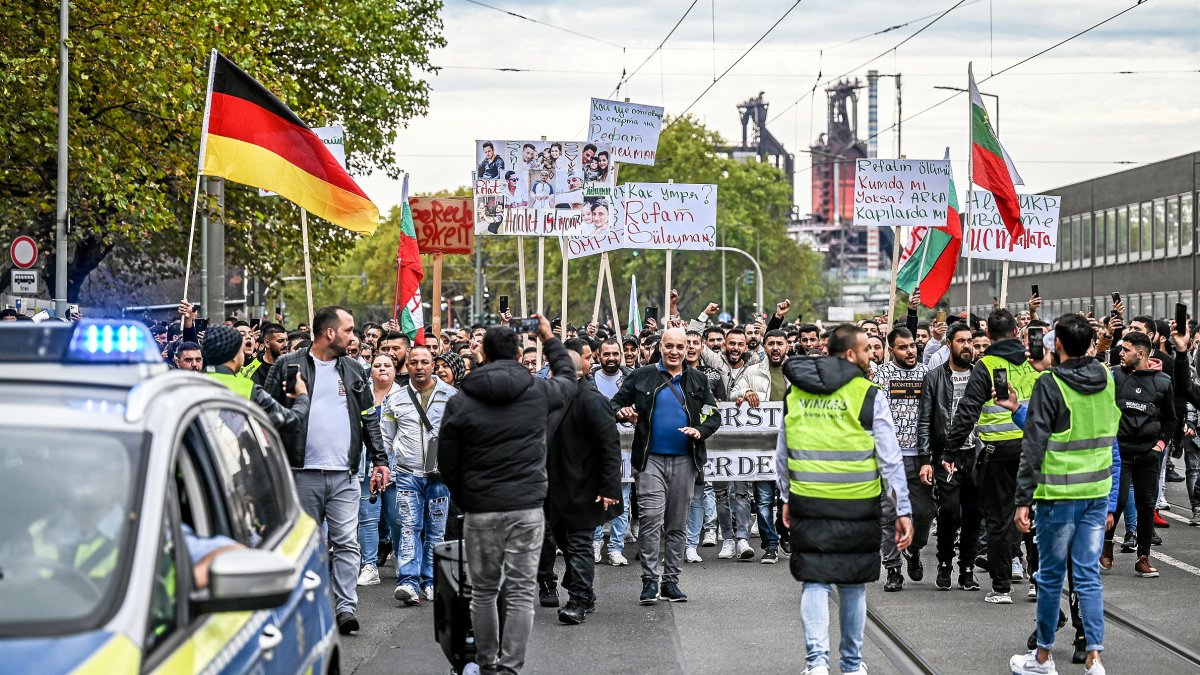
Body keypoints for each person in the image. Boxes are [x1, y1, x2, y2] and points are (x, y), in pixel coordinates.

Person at [438, 316, 576, 675]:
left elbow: (447, 461)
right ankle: (510, 667)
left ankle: (486, 663)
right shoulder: (537, 390)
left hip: (481, 508)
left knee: (482, 592)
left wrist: (466, 497)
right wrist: (549, 340)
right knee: (518, 592)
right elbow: (567, 378)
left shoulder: (462, 399)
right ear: (518, 353)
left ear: (480, 352)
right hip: (526, 507)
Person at [778, 324, 913, 675]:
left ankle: (817, 663)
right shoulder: (869, 394)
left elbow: (782, 450)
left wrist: (785, 495)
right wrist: (903, 509)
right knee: (852, 585)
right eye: (868, 349)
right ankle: (851, 665)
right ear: (851, 354)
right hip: (858, 505)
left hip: (809, 501)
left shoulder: (795, 392)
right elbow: (890, 458)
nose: (872, 354)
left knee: (815, 580)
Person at [264, 306, 390, 635]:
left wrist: (380, 459)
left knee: (347, 542)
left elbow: (368, 417)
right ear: (330, 333)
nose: (354, 336)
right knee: (307, 544)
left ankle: (346, 607)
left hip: (345, 474)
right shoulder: (288, 365)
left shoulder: (354, 370)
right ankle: (310, 605)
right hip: (300, 472)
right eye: (348, 330)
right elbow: (267, 413)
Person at [1008, 314, 1119, 675]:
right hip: (1097, 492)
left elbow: (1035, 445)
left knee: (1051, 577)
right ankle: (1094, 659)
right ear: (1089, 343)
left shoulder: (1049, 383)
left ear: (1056, 346)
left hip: (1057, 495)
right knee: (1087, 575)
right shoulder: (1107, 378)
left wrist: (1023, 500)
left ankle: (1042, 657)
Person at [611, 328, 721, 605]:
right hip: (650, 462)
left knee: (676, 524)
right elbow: (615, 403)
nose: (674, 351)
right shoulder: (641, 375)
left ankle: (671, 580)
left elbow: (712, 412)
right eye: (669, 346)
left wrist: (700, 430)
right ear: (660, 346)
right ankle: (649, 581)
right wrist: (621, 413)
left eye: (679, 347)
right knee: (650, 521)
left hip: (686, 460)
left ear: (688, 349)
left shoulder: (697, 379)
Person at [943, 309, 1042, 604]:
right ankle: (1038, 582)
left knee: (999, 519)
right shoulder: (1034, 361)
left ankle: (1001, 588)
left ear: (987, 335)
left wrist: (950, 450)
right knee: (1034, 517)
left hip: (997, 453)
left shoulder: (986, 365)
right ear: (1015, 331)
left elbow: (967, 411)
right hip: (1033, 449)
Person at [543, 351, 622, 624]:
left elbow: (610, 446)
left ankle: (577, 601)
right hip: (554, 488)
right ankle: (585, 591)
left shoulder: (591, 399)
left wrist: (610, 487)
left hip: (584, 488)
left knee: (578, 545)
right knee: (565, 542)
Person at [384, 344, 457, 605]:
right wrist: (390, 466)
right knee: (409, 528)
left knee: (436, 532)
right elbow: (386, 438)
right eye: (413, 362)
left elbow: (459, 436)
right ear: (408, 365)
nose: (419, 367)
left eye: (424, 362)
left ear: (433, 364)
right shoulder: (396, 399)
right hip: (407, 474)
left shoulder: (451, 396)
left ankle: (431, 581)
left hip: (440, 477)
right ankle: (408, 582)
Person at [1101, 330, 1174, 577]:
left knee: (1146, 506)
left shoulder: (1163, 381)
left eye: (1126, 350)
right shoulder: (1115, 376)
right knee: (1117, 501)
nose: (1121, 354)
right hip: (1120, 453)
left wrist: (1159, 447)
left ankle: (1143, 557)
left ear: (1140, 353)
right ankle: (1107, 546)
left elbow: (1170, 420)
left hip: (1148, 455)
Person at [917, 323, 984, 591]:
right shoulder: (934, 377)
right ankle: (945, 562)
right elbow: (925, 420)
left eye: (970, 341)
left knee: (974, 514)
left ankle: (967, 568)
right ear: (949, 343)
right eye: (961, 341)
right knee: (949, 513)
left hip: (977, 455)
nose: (967, 346)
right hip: (947, 457)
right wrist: (925, 458)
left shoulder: (981, 375)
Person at [871, 327, 932, 592]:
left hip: (921, 457)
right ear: (891, 350)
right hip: (889, 460)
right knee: (888, 515)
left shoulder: (927, 374)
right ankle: (893, 569)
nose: (911, 351)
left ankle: (913, 549)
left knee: (925, 512)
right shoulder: (881, 376)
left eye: (912, 346)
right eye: (903, 347)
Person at [200, 325, 310, 435]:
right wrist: (302, 395)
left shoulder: (191, 383)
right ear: (234, 355)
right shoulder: (246, 387)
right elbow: (292, 420)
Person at [356, 353, 403, 588]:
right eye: (377, 365)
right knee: (367, 517)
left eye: (387, 365)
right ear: (370, 370)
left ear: (394, 370)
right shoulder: (361, 395)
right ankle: (369, 566)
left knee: (397, 518)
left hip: (396, 466)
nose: (382, 369)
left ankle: (403, 560)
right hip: (365, 463)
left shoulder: (404, 395)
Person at [241, 322, 287, 387]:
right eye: (280, 341)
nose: (285, 345)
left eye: (286, 340)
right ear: (267, 343)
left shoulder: (290, 366)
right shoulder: (251, 368)